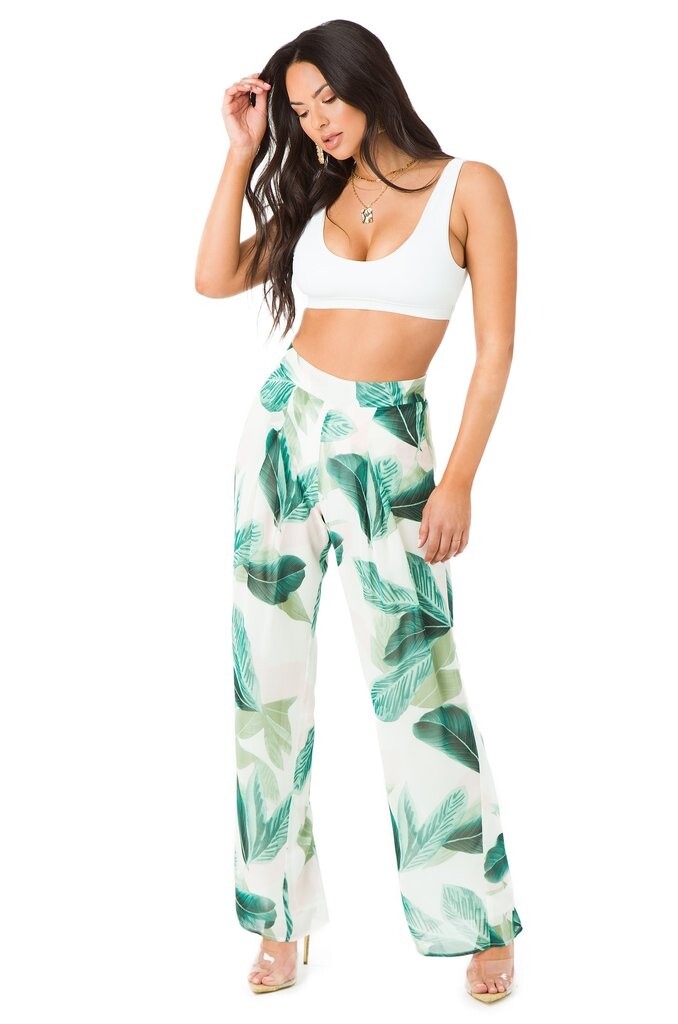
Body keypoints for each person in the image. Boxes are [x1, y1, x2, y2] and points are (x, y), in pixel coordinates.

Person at [195, 18, 523, 1004]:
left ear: (368, 82)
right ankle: (278, 920)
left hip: (391, 450)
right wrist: (243, 154)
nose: (317, 124)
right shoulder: (314, 194)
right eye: (300, 112)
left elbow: (496, 351)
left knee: (420, 689)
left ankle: (478, 920)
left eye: (326, 100)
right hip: (282, 434)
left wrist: (457, 479)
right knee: (267, 689)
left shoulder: (469, 187)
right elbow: (213, 277)